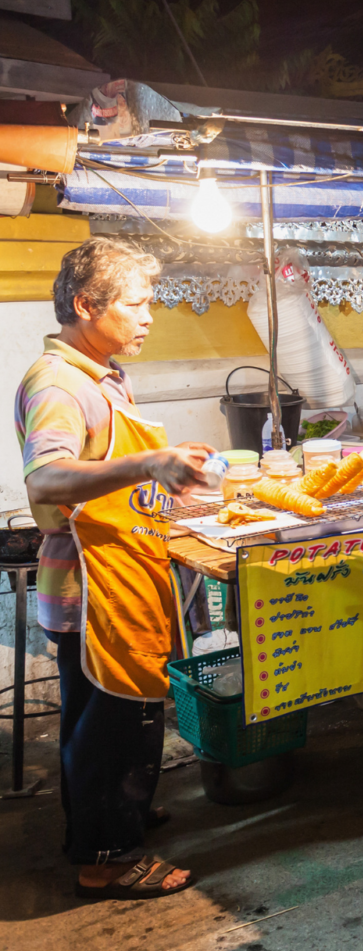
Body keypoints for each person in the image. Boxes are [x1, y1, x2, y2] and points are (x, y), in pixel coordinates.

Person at [16, 239, 215, 900]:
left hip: (116, 572)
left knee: (103, 719)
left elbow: (108, 468)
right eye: (136, 304)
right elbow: (46, 477)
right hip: (89, 587)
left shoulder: (100, 374)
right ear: (85, 304)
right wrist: (147, 464)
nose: (148, 317)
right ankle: (109, 857)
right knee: (114, 725)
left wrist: (168, 466)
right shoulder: (57, 384)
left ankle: (110, 815)